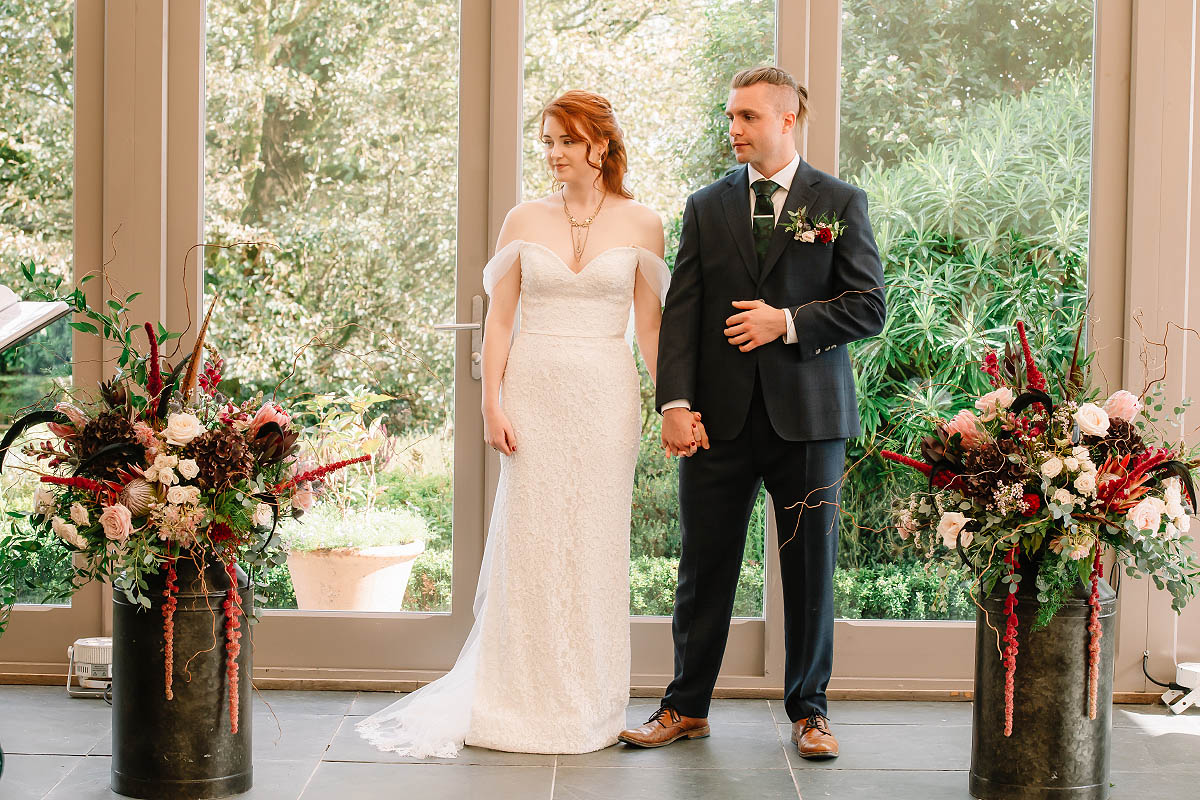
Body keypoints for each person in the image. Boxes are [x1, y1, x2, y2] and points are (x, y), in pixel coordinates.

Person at [357, 90, 694, 757]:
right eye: (545, 141)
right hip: (534, 394)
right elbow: (501, 319)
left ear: (599, 144)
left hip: (605, 398)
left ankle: (588, 701)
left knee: (593, 546)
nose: (552, 154)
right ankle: (514, 700)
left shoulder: (644, 223)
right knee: (531, 541)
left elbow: (650, 329)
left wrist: (672, 404)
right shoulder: (521, 219)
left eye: (564, 141)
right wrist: (492, 403)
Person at [618, 66, 886, 759]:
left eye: (746, 118)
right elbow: (683, 315)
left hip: (810, 420)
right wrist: (674, 403)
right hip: (718, 422)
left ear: (786, 119)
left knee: (809, 571)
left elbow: (868, 305)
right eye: (729, 117)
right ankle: (685, 707)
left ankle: (811, 712)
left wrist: (787, 322)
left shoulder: (838, 200)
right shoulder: (706, 206)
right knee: (704, 569)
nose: (732, 129)